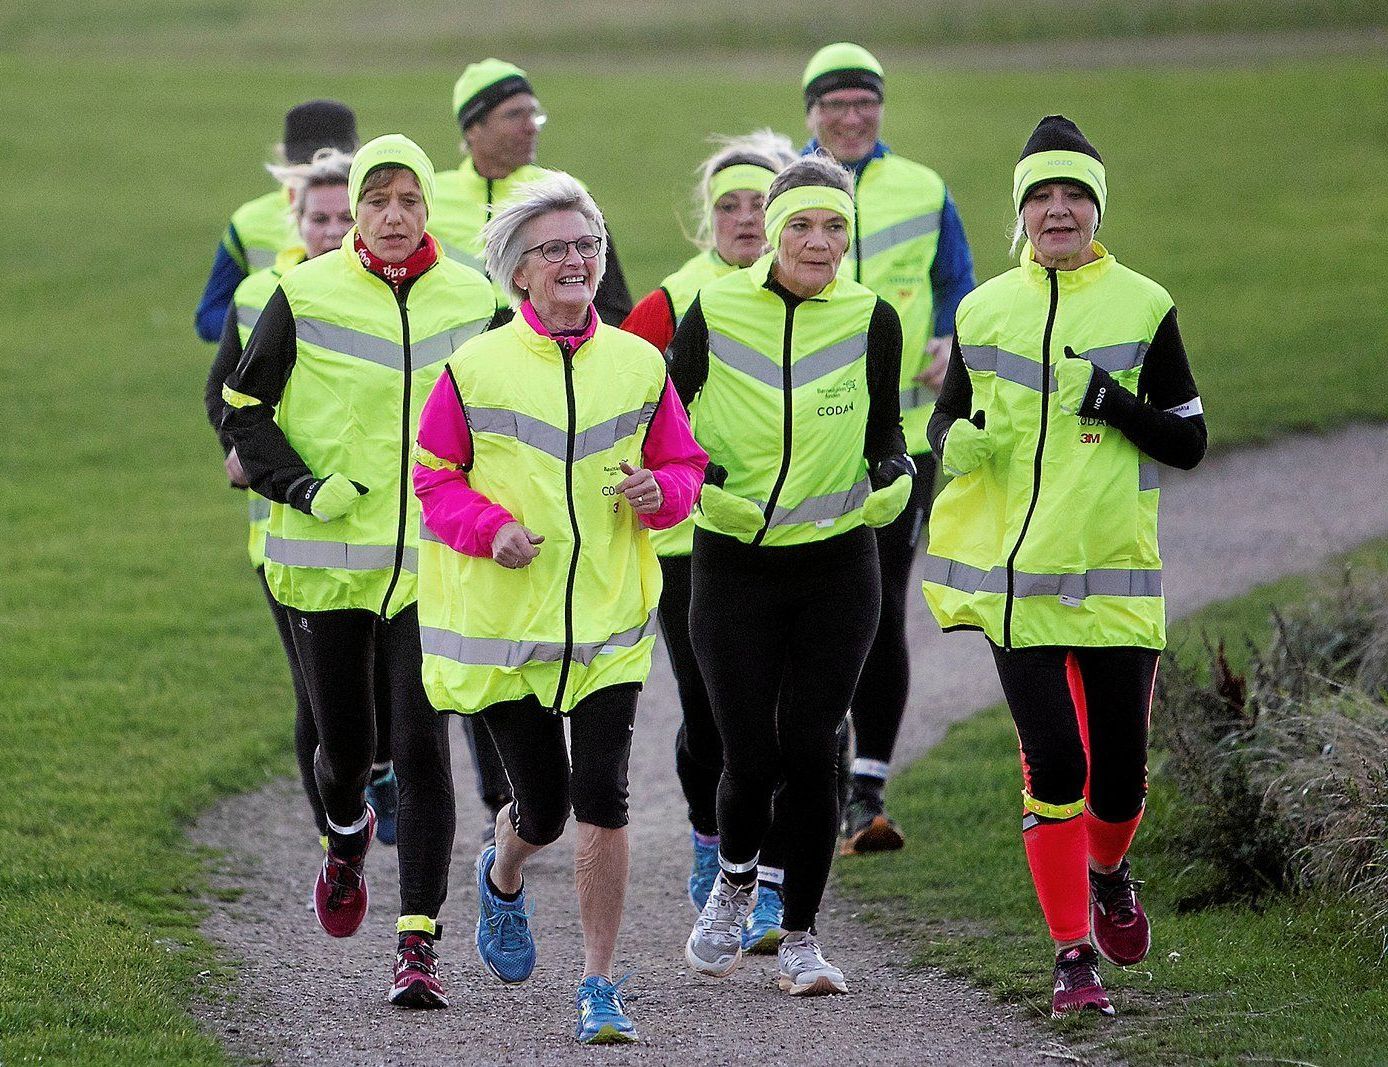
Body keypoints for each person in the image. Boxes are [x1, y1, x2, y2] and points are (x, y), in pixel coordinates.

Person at [922, 115, 1208, 1018]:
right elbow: (945, 418)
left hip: (1117, 577)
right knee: (1055, 765)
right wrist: (951, 441)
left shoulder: (1145, 304)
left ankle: (1110, 872)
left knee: (1117, 782)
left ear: (1097, 209)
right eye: (1041, 196)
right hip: (1015, 582)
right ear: (1020, 211)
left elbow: (1189, 441)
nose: (1057, 210)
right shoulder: (981, 311)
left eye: (1074, 195)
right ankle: (1072, 954)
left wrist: (1113, 401)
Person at [413, 173, 705, 1043]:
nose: (576, 260)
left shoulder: (640, 364)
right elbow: (433, 480)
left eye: (586, 245)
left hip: (609, 625)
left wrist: (662, 493)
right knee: (541, 809)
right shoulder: (473, 369)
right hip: (511, 629)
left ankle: (599, 983)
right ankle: (503, 872)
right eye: (555, 249)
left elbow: (685, 468)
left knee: (602, 794)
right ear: (519, 272)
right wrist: (492, 528)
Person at [220, 135, 497, 1010]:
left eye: (408, 200)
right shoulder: (302, 295)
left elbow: (508, 410)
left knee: (421, 746)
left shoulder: (475, 296)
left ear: (429, 207)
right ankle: (345, 834)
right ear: (356, 211)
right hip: (326, 566)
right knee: (343, 750)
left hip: (433, 566)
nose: (392, 216)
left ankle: (418, 943)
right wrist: (303, 486)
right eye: (377, 200)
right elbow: (243, 412)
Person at [671, 156, 913, 996]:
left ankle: (802, 936)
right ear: (774, 233)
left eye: (835, 226)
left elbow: (887, 430)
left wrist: (895, 473)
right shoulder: (714, 308)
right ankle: (735, 882)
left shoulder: (873, 317)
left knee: (813, 748)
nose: (819, 241)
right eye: (802, 225)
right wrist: (704, 486)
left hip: (837, 564)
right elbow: (667, 423)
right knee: (748, 752)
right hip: (733, 564)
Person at [620, 129, 798, 952]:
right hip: (691, 542)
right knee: (711, 711)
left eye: (760, 203)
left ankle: (769, 879)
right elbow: (619, 406)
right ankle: (709, 836)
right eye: (729, 206)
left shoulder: (821, 294)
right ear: (706, 220)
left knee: (787, 717)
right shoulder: (668, 302)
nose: (746, 218)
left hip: (794, 535)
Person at [204, 147, 409, 846]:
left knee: (389, 682)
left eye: (342, 217)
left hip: (387, 531)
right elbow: (224, 396)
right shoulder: (261, 294)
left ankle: (381, 768)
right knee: (316, 695)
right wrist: (244, 455)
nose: (330, 230)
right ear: (296, 222)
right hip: (287, 536)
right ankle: (334, 838)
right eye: (317, 218)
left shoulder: (393, 294)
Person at [800, 43, 977, 852]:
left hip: (902, 438)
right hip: (805, 438)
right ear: (811, 113)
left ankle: (865, 789)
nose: (851, 117)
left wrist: (950, 336)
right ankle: (815, 772)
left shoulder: (924, 187)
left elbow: (957, 280)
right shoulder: (785, 182)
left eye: (864, 102)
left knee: (878, 600)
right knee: (811, 611)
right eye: (835, 104)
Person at [432, 58, 633, 325]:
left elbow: (613, 308)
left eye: (533, 114)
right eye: (514, 115)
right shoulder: (428, 200)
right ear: (473, 129)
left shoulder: (565, 195)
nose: (531, 127)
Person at [194, 100, 359, 342]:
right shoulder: (249, 222)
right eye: (306, 167)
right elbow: (209, 316)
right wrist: (272, 330)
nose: (319, 172)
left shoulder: (377, 216)